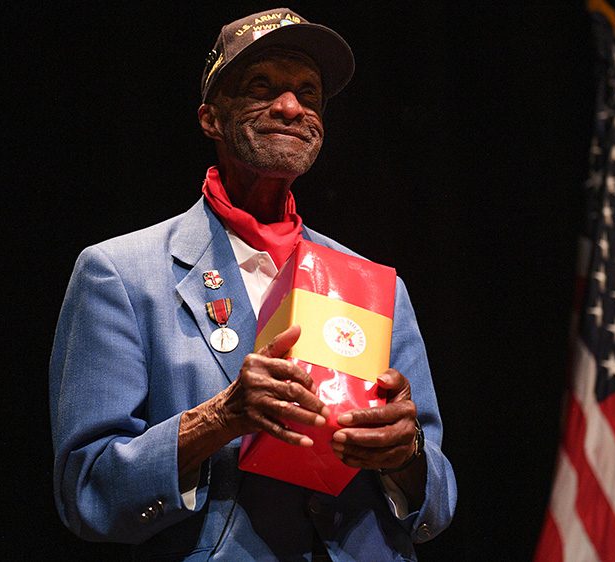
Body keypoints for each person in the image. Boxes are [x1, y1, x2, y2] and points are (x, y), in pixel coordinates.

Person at [49, 8, 457, 560]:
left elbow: (438, 501)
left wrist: (404, 454)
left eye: (308, 93)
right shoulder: (120, 274)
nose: (291, 107)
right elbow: (88, 492)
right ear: (210, 118)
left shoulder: (374, 284)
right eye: (262, 87)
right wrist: (222, 418)